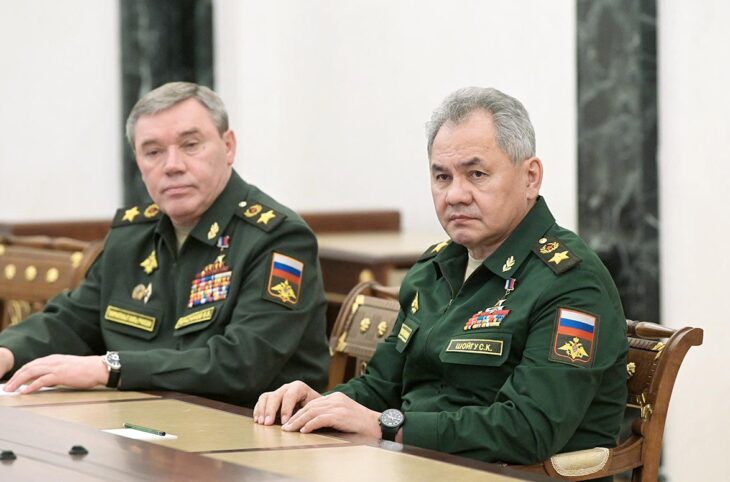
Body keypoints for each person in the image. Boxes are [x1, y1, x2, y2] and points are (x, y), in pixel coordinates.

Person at [254, 87, 628, 466]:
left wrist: (388, 428)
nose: (455, 195)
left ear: (531, 177)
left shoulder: (570, 281)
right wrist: (320, 406)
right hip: (413, 466)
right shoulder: (434, 269)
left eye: (476, 174)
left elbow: (527, 429)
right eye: (442, 177)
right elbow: (381, 386)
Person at [0, 82, 330, 406]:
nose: (172, 165)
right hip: (139, 424)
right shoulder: (133, 236)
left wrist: (109, 369)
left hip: (247, 433)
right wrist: (7, 351)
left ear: (228, 146)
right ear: (138, 162)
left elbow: (241, 363)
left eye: (190, 145)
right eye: (154, 152)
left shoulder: (277, 238)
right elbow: (72, 322)